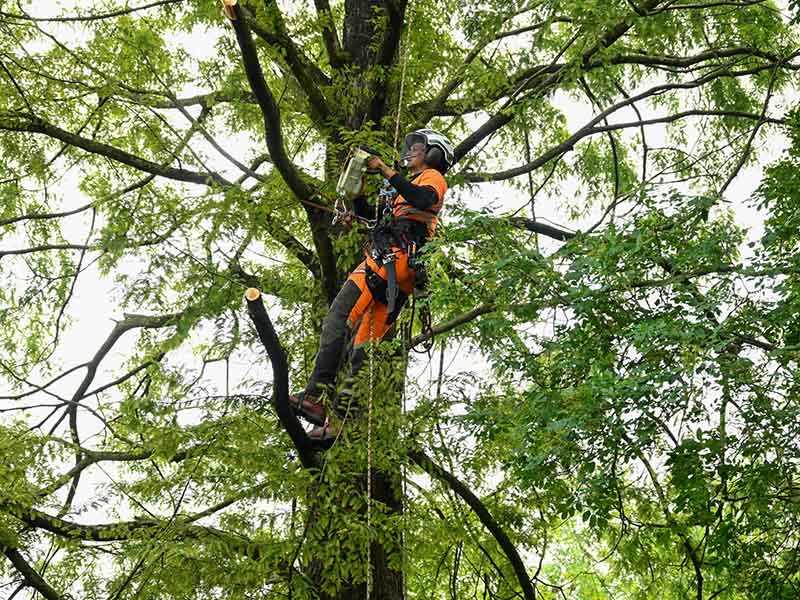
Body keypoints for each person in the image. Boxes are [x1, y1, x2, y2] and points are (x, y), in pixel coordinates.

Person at [289, 129, 454, 441]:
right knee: (364, 350)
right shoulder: (401, 189)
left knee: (338, 318)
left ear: (433, 154)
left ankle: (314, 395)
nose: (412, 153)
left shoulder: (432, 178)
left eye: (418, 148)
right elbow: (372, 215)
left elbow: (424, 199)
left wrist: (385, 169)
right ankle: (337, 422)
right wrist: (359, 190)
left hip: (390, 260)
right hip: (397, 274)